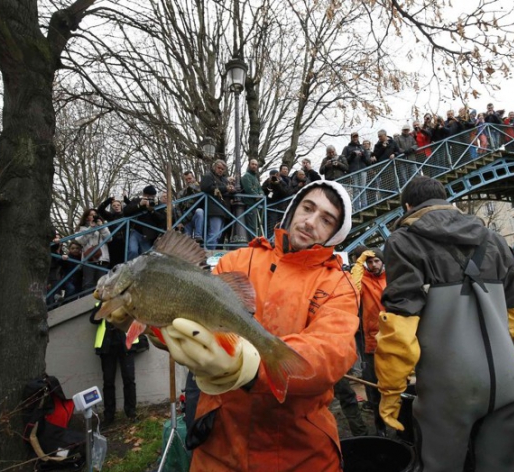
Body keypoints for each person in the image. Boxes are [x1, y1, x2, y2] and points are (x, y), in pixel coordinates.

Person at [160, 180, 359, 471]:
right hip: (219, 448)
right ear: (293, 209)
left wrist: (253, 366)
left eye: (326, 219)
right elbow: (192, 317)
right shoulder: (239, 259)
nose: (311, 222)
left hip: (301, 454)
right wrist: (157, 326)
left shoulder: (337, 284)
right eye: (308, 208)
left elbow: (332, 351)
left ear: (335, 234)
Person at [375, 176, 514, 472]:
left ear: (408, 206)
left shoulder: (403, 241)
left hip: (447, 387)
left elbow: (400, 324)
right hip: (506, 380)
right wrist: (506, 338)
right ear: (446, 200)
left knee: (440, 465)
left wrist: (391, 390)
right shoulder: (493, 238)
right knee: (503, 466)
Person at [350, 247, 387, 436]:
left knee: (397, 383)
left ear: (382, 262)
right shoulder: (363, 279)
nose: (373, 265)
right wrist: (359, 262)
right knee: (373, 387)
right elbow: (352, 285)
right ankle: (380, 427)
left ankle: (401, 423)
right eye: (369, 262)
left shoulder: (391, 279)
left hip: (393, 341)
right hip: (371, 342)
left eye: (376, 261)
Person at [89, 304, 138, 425]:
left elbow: (136, 315)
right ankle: (109, 416)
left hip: (125, 344)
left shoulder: (126, 301)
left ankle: (131, 413)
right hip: (107, 347)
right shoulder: (101, 303)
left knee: (129, 379)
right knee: (108, 382)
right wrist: (105, 306)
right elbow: (93, 319)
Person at [200, 160, 237, 249]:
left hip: (223, 210)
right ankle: (208, 255)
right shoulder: (208, 176)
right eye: (219, 168)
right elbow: (205, 187)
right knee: (214, 234)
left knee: (218, 235)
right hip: (214, 209)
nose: (220, 170)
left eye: (222, 169)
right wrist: (225, 188)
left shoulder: (224, 179)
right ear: (214, 167)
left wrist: (232, 189)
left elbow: (228, 191)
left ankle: (211, 254)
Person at [124, 185, 166, 258]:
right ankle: (130, 268)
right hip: (136, 231)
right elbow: (125, 212)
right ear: (143, 195)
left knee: (146, 256)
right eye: (147, 196)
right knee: (132, 251)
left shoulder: (159, 204)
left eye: (152, 196)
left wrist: (152, 211)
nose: (150, 198)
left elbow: (162, 219)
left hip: (149, 234)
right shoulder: (137, 201)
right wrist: (139, 205)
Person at [76, 208, 111, 290]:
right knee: (88, 284)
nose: (93, 216)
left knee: (103, 285)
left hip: (102, 258)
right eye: (91, 215)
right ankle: (87, 302)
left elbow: (109, 239)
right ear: (86, 217)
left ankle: (100, 303)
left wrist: (101, 227)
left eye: (95, 215)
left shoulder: (103, 225)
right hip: (88, 260)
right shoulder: (81, 228)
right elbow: (81, 242)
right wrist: (90, 229)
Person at [97, 195, 127, 267]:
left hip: (125, 241)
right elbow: (100, 210)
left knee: (124, 261)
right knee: (114, 263)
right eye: (114, 205)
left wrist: (125, 199)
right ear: (112, 208)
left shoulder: (126, 215)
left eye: (118, 205)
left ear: (121, 206)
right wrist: (109, 200)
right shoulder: (110, 216)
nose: (116, 206)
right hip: (114, 242)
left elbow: (133, 207)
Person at [241, 159, 265, 239]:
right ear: (249, 165)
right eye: (252, 164)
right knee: (252, 227)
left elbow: (260, 189)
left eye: (256, 164)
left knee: (256, 226)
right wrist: (257, 196)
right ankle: (253, 244)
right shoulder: (246, 176)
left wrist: (261, 194)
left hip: (255, 205)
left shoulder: (255, 177)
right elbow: (249, 189)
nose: (254, 166)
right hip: (250, 205)